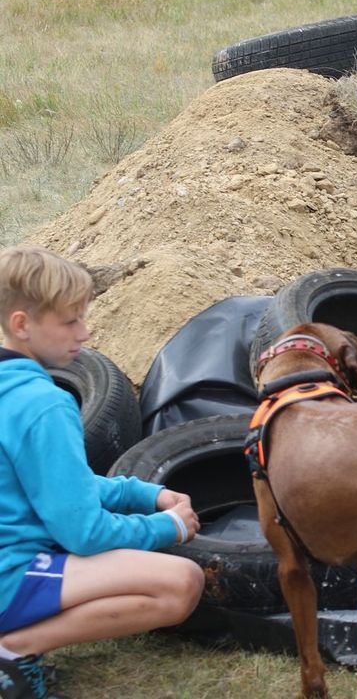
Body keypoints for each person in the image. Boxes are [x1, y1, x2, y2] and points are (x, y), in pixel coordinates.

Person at [0, 247, 204, 699]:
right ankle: (13, 650)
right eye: (70, 321)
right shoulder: (42, 402)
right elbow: (83, 534)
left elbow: (45, 482)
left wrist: (142, 494)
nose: (84, 333)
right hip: (8, 575)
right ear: (21, 324)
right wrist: (166, 526)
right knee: (179, 585)